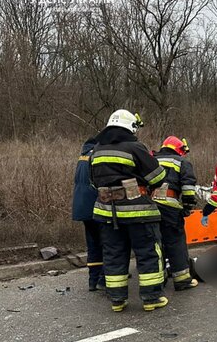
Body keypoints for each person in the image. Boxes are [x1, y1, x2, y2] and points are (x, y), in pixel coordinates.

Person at [90, 109, 168, 312]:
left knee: (114, 254)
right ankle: (151, 298)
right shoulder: (135, 147)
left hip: (107, 213)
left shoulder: (96, 150)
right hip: (139, 212)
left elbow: (93, 182)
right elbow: (157, 177)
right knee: (148, 253)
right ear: (131, 127)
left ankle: (117, 300)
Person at [153, 136, 198, 291]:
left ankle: (157, 281)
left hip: (148, 206)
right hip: (169, 207)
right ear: (179, 149)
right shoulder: (182, 162)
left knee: (154, 244)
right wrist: (187, 207)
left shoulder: (150, 159)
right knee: (175, 242)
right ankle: (182, 280)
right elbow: (188, 188)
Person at [72, 136, 104, 291]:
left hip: (82, 205)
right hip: (95, 205)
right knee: (106, 241)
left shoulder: (83, 156)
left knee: (92, 243)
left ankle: (93, 279)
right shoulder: (97, 155)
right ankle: (104, 278)